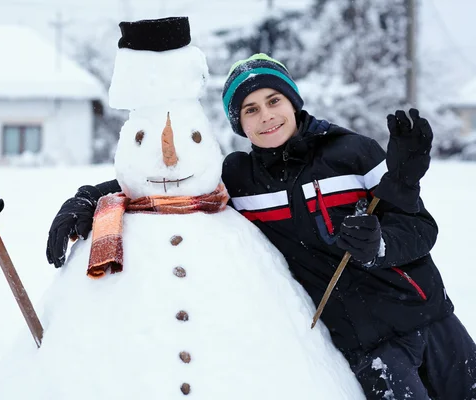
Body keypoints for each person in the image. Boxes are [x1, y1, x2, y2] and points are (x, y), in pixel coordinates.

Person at [45, 53, 476, 399]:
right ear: (238, 123)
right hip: (368, 345)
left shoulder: (353, 153)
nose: (266, 116)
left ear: (292, 102)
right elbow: (159, 181)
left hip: (432, 318)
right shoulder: (238, 177)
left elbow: (420, 228)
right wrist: (87, 198)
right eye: (250, 109)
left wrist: (380, 243)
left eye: (274, 101)